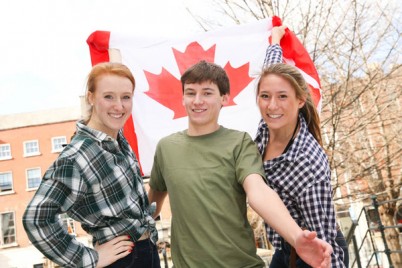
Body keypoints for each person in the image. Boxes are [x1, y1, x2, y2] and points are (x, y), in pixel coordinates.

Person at [148, 60, 332, 268]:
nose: (197, 100)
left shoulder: (240, 142)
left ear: (224, 98)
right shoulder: (166, 148)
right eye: (191, 93)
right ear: (183, 98)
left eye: (207, 93)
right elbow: (150, 209)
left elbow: (259, 192)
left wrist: (297, 237)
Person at [23, 62, 160, 268]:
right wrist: (88, 258)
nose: (119, 106)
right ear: (91, 98)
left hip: (145, 252)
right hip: (122, 261)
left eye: (126, 97)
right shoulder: (78, 156)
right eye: (108, 96)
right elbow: (36, 218)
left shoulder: (117, 140)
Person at [255, 25, 348, 267]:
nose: (272, 105)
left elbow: (326, 248)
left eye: (282, 96)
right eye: (264, 96)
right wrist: (276, 39)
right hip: (285, 247)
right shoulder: (268, 126)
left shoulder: (308, 164)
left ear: (300, 100)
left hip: (310, 251)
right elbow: (272, 68)